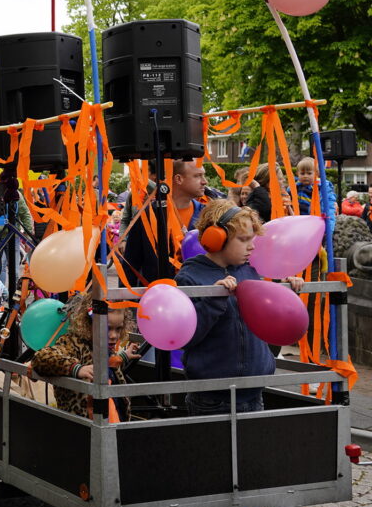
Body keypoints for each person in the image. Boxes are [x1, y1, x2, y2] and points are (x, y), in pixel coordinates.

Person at [174, 200, 303, 415]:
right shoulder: (190, 277)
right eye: (243, 240)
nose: (251, 246)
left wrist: (286, 287)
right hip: (211, 396)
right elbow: (188, 336)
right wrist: (213, 300)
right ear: (216, 239)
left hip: (254, 391)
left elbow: (266, 311)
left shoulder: (250, 271)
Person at [32, 297, 140, 419]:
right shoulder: (73, 343)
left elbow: (106, 366)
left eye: (118, 328)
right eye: (107, 328)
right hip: (82, 427)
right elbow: (41, 357)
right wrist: (76, 369)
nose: (114, 335)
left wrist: (124, 356)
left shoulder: (104, 348)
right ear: (89, 325)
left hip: (113, 420)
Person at [121, 160, 207, 286]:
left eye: (203, 175)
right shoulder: (149, 215)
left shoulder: (206, 215)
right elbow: (131, 263)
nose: (204, 181)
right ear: (178, 179)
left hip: (197, 300)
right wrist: (126, 301)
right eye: (198, 176)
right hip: (156, 298)